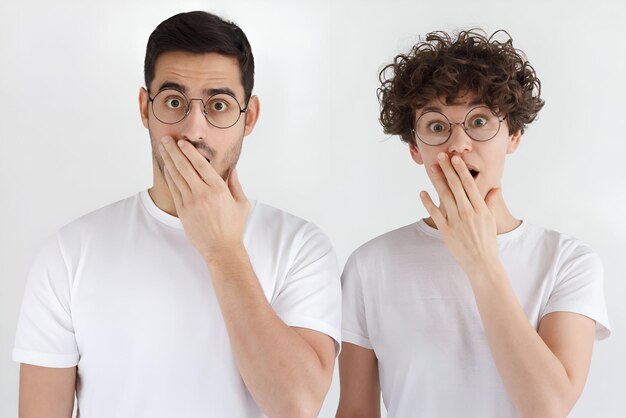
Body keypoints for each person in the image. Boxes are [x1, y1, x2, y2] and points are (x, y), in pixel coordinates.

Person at [13, 11, 340, 418]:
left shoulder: (301, 247)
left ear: (249, 117)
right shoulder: (69, 253)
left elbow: (298, 405)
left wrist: (222, 251)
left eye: (218, 105)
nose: (194, 129)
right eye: (173, 102)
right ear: (144, 109)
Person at [336, 29, 610, 418]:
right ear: (416, 149)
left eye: (479, 121)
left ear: (513, 135)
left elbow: (548, 407)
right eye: (436, 126)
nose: (458, 144)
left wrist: (481, 262)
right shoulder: (369, 265)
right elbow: (355, 410)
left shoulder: (567, 261)